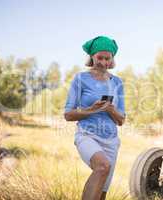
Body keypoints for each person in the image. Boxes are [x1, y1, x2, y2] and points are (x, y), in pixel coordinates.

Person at [64, 36, 126, 200]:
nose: (104, 62)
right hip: (87, 135)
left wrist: (111, 109)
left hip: (111, 141)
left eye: (108, 58)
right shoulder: (80, 79)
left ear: (112, 59)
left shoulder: (117, 82)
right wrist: (90, 110)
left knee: (102, 194)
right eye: (100, 57)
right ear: (92, 56)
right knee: (102, 167)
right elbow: (68, 114)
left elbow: (121, 120)